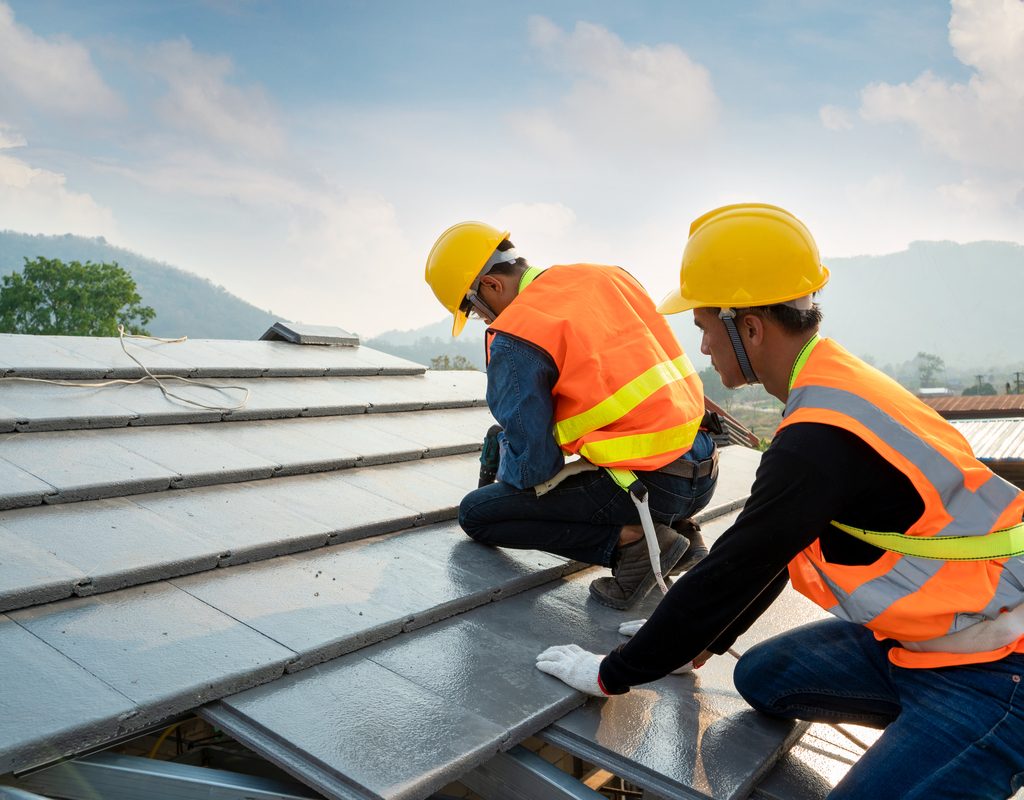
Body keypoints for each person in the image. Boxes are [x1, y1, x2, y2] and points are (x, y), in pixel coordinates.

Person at [535, 204, 1024, 799]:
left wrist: (611, 674)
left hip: (998, 668)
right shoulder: (830, 381)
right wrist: (702, 643)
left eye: (704, 326)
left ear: (749, 327)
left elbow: (734, 566)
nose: (704, 346)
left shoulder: (818, 437)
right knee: (762, 677)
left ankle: (965, 750)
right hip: (920, 644)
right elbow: (774, 549)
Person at [424, 221, 719, 610]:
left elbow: (535, 469)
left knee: (478, 514)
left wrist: (506, 460)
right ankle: (685, 535)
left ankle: (636, 546)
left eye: (475, 310)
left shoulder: (515, 334)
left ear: (492, 286)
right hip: (703, 469)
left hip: (649, 488)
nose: (484, 320)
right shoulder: (609, 277)